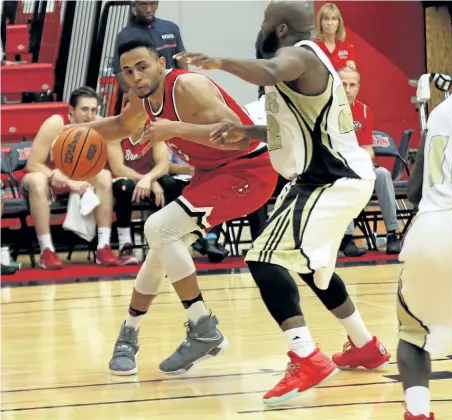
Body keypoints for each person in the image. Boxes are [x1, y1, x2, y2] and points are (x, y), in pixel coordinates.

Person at [175, 0, 390, 405]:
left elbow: (272, 68)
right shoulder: (300, 70)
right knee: (304, 265)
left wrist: (217, 61)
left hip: (332, 180)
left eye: (264, 22)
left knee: (263, 258)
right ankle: (364, 345)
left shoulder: (298, 56)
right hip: (324, 179)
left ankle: (305, 356)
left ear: (279, 30)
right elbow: (287, 130)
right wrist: (243, 130)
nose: (259, 28)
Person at [66, 37, 278, 376]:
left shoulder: (188, 86)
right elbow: (121, 126)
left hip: (249, 171)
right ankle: (129, 336)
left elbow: (242, 137)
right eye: (128, 71)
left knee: (158, 228)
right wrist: (73, 130)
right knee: (160, 247)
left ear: (161, 64)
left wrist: (175, 128)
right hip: (211, 173)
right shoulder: (142, 97)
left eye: (142, 67)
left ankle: (203, 328)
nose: (135, 76)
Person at [395, 37, 452, 420]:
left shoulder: (442, 110)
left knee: (413, 337)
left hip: (429, 232)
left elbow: (412, 189)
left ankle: (418, 412)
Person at [23, 87, 118, 269]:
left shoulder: (96, 125)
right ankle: (47, 250)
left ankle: (103, 246)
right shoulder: (55, 124)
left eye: (93, 110)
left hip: (76, 178)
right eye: (84, 109)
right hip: (46, 177)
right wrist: (60, 178)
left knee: (105, 176)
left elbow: (111, 164)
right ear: (71, 111)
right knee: (37, 179)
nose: (89, 115)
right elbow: (33, 164)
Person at [338, 66, 402, 255]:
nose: (348, 89)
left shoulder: (365, 111)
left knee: (382, 173)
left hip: (360, 166)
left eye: (352, 85)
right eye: (343, 85)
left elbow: (367, 148)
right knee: (345, 178)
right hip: (336, 168)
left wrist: (364, 161)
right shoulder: (326, 111)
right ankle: (347, 238)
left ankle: (392, 234)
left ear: (358, 87)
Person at [108, 116, 170, 265]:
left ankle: (157, 244)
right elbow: (118, 168)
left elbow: (163, 165)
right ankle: (125, 245)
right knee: (124, 187)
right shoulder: (116, 131)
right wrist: (145, 179)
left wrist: (150, 179)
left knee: (168, 184)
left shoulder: (154, 129)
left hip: (145, 179)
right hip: (122, 178)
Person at [112, 1, 187, 93]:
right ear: (134, 5)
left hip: (173, 90)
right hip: (147, 94)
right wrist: (135, 98)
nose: (148, 9)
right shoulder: (125, 36)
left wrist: (184, 85)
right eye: (143, 4)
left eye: (153, 4)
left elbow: (181, 60)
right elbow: (120, 73)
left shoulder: (171, 28)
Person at [314, 3, 355, 70]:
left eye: (333, 19)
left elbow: (352, 77)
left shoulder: (347, 47)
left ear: (339, 22)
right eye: (326, 19)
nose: (329, 23)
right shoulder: (314, 47)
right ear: (320, 22)